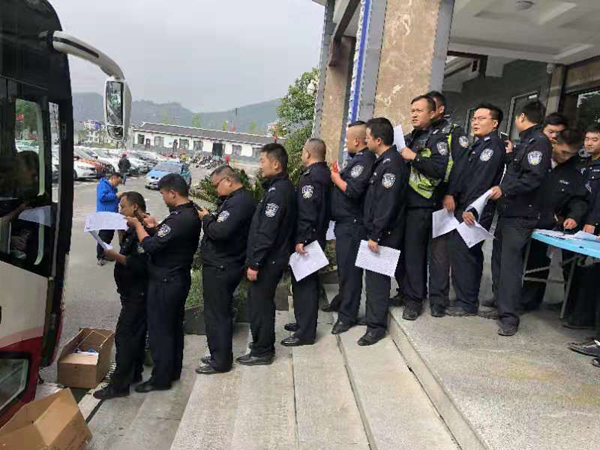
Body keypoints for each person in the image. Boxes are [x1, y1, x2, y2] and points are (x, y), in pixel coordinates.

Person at [128, 173, 202, 392]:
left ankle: (160, 378)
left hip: (166, 281)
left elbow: (152, 246)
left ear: (173, 193)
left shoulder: (179, 219)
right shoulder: (188, 213)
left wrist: (138, 225)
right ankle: (172, 370)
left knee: (161, 331)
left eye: (163, 194)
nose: (162, 198)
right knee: (173, 328)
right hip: (176, 278)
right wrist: (153, 228)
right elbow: (167, 241)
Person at [486, 100, 552, 336]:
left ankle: (509, 318)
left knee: (510, 267)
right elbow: (517, 171)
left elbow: (533, 178)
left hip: (521, 214)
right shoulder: (526, 142)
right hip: (508, 211)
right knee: (498, 261)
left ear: (522, 117)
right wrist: (510, 156)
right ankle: (500, 305)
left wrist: (504, 190)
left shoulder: (539, 142)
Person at [237, 143, 296, 365]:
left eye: (262, 161)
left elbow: (267, 232)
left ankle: (262, 351)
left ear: (276, 164)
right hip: (270, 258)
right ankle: (260, 343)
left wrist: (255, 263)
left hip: (268, 260)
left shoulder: (278, 192)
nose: (260, 166)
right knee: (258, 303)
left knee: (260, 305)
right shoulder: (276, 188)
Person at [446, 103, 506, 316]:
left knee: (465, 253)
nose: (475, 122)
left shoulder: (492, 147)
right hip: (468, 206)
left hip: (476, 209)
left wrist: (471, 208)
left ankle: (467, 302)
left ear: (494, 123)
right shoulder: (479, 144)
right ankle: (464, 297)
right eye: (474, 118)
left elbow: (482, 182)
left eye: (481, 119)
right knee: (464, 252)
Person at [195, 166, 256, 374]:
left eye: (216, 185)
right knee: (215, 313)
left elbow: (220, 231)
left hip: (223, 265)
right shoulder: (234, 200)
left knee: (217, 315)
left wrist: (206, 219)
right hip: (221, 263)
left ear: (228, 180)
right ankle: (217, 353)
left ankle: (220, 361)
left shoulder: (239, 202)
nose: (215, 190)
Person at [519, 129, 588, 313]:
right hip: (522, 219)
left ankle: (528, 302)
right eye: (563, 152)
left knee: (538, 262)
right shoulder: (538, 159)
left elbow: (579, 200)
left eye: (571, 154)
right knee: (513, 261)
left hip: (547, 226)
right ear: (555, 143)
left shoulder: (575, 172)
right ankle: (503, 297)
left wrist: (573, 216)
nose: (566, 157)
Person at [94, 192, 149, 400]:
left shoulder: (144, 229)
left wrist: (114, 256)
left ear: (134, 207)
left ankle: (119, 386)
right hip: (130, 293)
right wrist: (121, 233)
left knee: (125, 337)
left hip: (137, 294)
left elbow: (139, 264)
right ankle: (134, 373)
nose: (120, 210)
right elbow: (128, 251)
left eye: (123, 206)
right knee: (135, 336)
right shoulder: (133, 228)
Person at [399, 95, 450, 320]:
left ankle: (414, 300)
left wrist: (413, 157)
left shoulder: (438, 139)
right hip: (404, 204)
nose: (414, 114)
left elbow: (439, 169)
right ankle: (405, 292)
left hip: (422, 205)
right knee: (404, 254)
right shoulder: (411, 137)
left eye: (419, 110)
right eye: (412, 110)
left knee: (415, 255)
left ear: (432, 113)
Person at [360, 118, 409, 346]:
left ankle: (376, 327)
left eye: (368, 137)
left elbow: (387, 204)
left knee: (377, 282)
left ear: (378, 140)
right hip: (377, 231)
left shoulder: (391, 165)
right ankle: (373, 317)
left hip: (384, 235)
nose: (365, 140)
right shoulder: (384, 162)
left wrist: (376, 235)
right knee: (372, 280)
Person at [283, 139, 331, 347]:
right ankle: (302, 322)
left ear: (308, 154)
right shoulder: (324, 173)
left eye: (303, 151)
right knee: (302, 282)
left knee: (305, 285)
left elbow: (308, 211)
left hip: (309, 238)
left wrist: (302, 239)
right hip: (316, 235)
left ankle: (305, 332)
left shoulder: (311, 178)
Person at [329, 121, 376, 334]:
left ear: (357, 141)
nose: (345, 143)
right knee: (344, 270)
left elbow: (353, 190)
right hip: (344, 224)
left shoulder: (364, 160)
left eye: (347, 139)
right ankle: (342, 302)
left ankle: (347, 316)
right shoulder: (357, 159)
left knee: (350, 273)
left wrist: (336, 178)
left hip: (353, 225)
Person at [426, 91, 469, 316]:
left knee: (439, 253)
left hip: (443, 200)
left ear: (440, 109)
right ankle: (410, 293)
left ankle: (438, 300)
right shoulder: (421, 132)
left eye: (429, 106)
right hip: (419, 200)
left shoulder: (454, 132)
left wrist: (451, 193)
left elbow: (461, 165)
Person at [565, 124, 600, 358]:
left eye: (594, 139)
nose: (588, 143)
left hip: (594, 226)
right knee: (583, 271)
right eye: (587, 139)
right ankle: (581, 315)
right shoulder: (585, 164)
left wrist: (594, 221)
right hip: (583, 224)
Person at [96, 172, 123, 266]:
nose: (118, 184)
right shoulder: (103, 185)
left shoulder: (114, 189)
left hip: (112, 215)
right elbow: (102, 197)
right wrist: (115, 196)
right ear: (114, 178)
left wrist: (120, 198)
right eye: (118, 182)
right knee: (103, 236)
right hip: (105, 215)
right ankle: (100, 256)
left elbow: (114, 201)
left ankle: (106, 254)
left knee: (109, 236)